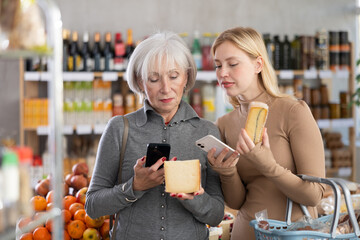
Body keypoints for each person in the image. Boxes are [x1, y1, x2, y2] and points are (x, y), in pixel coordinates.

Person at [85, 31, 225, 240]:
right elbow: (93, 206)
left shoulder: (207, 132)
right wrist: (134, 187)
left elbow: (216, 215)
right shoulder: (119, 129)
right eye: (154, 79)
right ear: (141, 83)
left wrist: (193, 197)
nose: (165, 88)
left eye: (174, 76)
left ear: (186, 77)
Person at [207, 27, 326, 240]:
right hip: (245, 232)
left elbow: (314, 195)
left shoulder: (293, 111)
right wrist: (227, 172)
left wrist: (268, 165)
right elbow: (235, 202)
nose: (222, 73)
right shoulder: (224, 124)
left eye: (232, 64)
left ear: (258, 64)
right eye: (218, 65)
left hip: (293, 234)